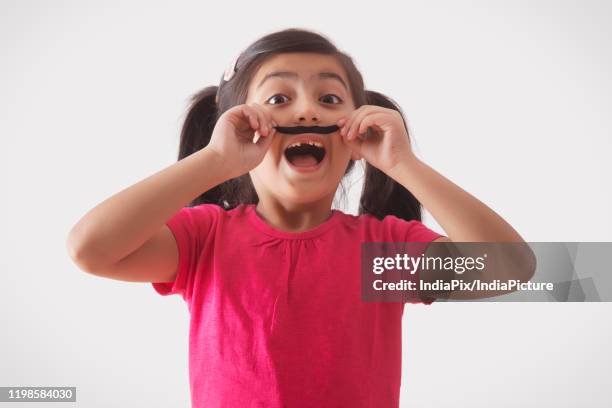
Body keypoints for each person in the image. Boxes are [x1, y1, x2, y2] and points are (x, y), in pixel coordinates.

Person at [66, 28, 530, 408]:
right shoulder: (204, 238)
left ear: (355, 132)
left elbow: (509, 268)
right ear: (240, 128)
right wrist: (213, 160)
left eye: (329, 100)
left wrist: (403, 164)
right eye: (278, 99)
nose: (307, 110)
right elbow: (90, 249)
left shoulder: (383, 253)